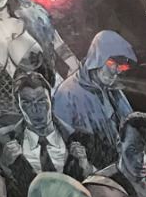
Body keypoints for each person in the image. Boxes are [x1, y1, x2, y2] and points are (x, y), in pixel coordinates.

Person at [0, 70, 90, 197]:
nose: (36, 110)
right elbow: (2, 196)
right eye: (27, 103)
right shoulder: (3, 139)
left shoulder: (79, 137)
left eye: (41, 101)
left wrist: (85, 166)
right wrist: (4, 166)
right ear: (18, 106)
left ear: (51, 100)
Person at [51, 29, 138, 169]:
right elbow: (63, 146)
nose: (116, 71)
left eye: (121, 66)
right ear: (97, 57)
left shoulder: (114, 91)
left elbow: (133, 127)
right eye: (112, 63)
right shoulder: (66, 94)